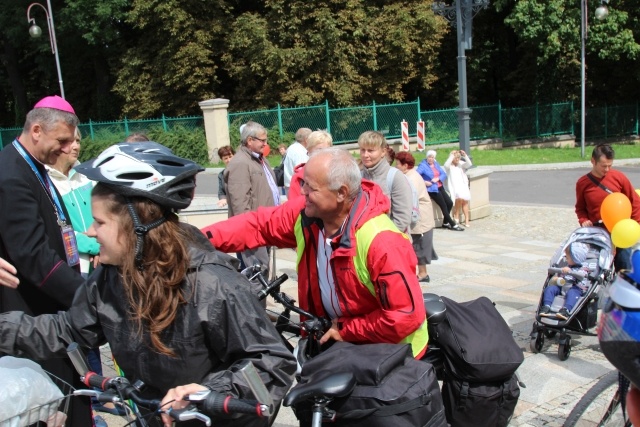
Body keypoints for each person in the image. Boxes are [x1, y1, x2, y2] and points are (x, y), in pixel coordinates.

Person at [0, 142, 296, 427]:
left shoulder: (212, 282)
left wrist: (205, 394)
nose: (90, 232)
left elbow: (272, 363)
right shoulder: (113, 276)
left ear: (137, 226)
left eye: (100, 223)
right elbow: (68, 329)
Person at [202, 148, 429, 358]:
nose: (303, 192)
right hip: (340, 341)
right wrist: (195, 240)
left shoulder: (382, 241)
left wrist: (347, 330)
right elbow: (258, 225)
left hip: (392, 353)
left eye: (311, 187)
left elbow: (405, 316)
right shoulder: (308, 215)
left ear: (341, 193)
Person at [0, 95, 92, 426]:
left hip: (53, 305)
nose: (68, 148)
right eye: (62, 140)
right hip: (33, 313)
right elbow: (33, 254)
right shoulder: (11, 172)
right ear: (37, 130)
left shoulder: (33, 166)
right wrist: (87, 297)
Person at [46, 127, 114, 419]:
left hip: (101, 259)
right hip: (78, 266)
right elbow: (63, 231)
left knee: (98, 330)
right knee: (81, 329)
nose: (75, 147)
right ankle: (93, 393)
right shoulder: (49, 182)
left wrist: (102, 244)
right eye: (68, 142)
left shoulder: (83, 176)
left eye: (77, 141)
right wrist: (92, 242)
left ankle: (100, 388)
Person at [224, 121, 280, 271]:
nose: (265, 144)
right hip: (253, 230)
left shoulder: (260, 159)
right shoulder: (240, 163)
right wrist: (250, 232)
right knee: (256, 273)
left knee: (263, 271)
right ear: (250, 140)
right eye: (262, 140)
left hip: (265, 226)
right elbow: (240, 204)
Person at [575, 143, 640, 271]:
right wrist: (583, 220)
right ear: (593, 161)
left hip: (621, 231)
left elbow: (635, 201)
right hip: (598, 232)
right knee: (599, 269)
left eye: (610, 165)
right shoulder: (583, 183)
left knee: (624, 267)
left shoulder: (618, 177)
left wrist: (635, 225)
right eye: (603, 166)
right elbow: (580, 208)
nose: (607, 170)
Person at [359, 131, 413, 233]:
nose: (365, 155)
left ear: (383, 152)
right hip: (364, 243)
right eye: (362, 150)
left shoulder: (395, 177)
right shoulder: (358, 176)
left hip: (390, 242)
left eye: (370, 150)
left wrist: (381, 240)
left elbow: (402, 218)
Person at [396, 151, 437, 283]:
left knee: (418, 245)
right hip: (420, 215)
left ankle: (422, 274)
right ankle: (421, 273)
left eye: (398, 163)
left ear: (405, 165)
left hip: (420, 217)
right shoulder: (410, 174)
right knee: (417, 245)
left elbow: (409, 200)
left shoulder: (411, 178)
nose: (396, 166)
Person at [539, 242, 591, 320]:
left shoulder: (583, 269)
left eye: (568, 257)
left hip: (575, 288)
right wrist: (559, 275)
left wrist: (570, 272)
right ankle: (546, 306)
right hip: (563, 287)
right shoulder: (568, 266)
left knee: (572, 293)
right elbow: (563, 277)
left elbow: (581, 277)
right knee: (550, 289)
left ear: (576, 258)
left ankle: (566, 309)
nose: (566, 259)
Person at [416, 149, 464, 231]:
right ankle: (453, 224)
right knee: (443, 206)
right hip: (432, 189)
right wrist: (425, 182)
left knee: (449, 203)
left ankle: (445, 222)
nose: (431, 159)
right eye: (429, 157)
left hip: (439, 186)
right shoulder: (423, 165)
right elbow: (416, 176)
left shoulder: (436, 164)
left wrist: (438, 178)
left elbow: (443, 174)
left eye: (432, 157)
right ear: (427, 157)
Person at [288, 130, 333, 199]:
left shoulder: (336, 173)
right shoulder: (299, 179)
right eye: (319, 150)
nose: (323, 154)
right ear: (308, 151)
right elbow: (293, 205)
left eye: (327, 151)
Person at [444, 149, 472, 227]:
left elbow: (469, 164)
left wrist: (465, 155)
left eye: (458, 158)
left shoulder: (461, 164)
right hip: (455, 186)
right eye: (456, 158)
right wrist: (452, 155)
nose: (457, 159)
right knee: (459, 198)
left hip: (463, 185)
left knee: (465, 201)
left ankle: (466, 219)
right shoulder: (449, 166)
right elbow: (446, 165)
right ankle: (456, 214)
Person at [283, 128, 311, 194]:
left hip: (291, 186)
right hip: (297, 188)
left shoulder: (293, 147)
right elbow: (302, 173)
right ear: (306, 139)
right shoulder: (299, 152)